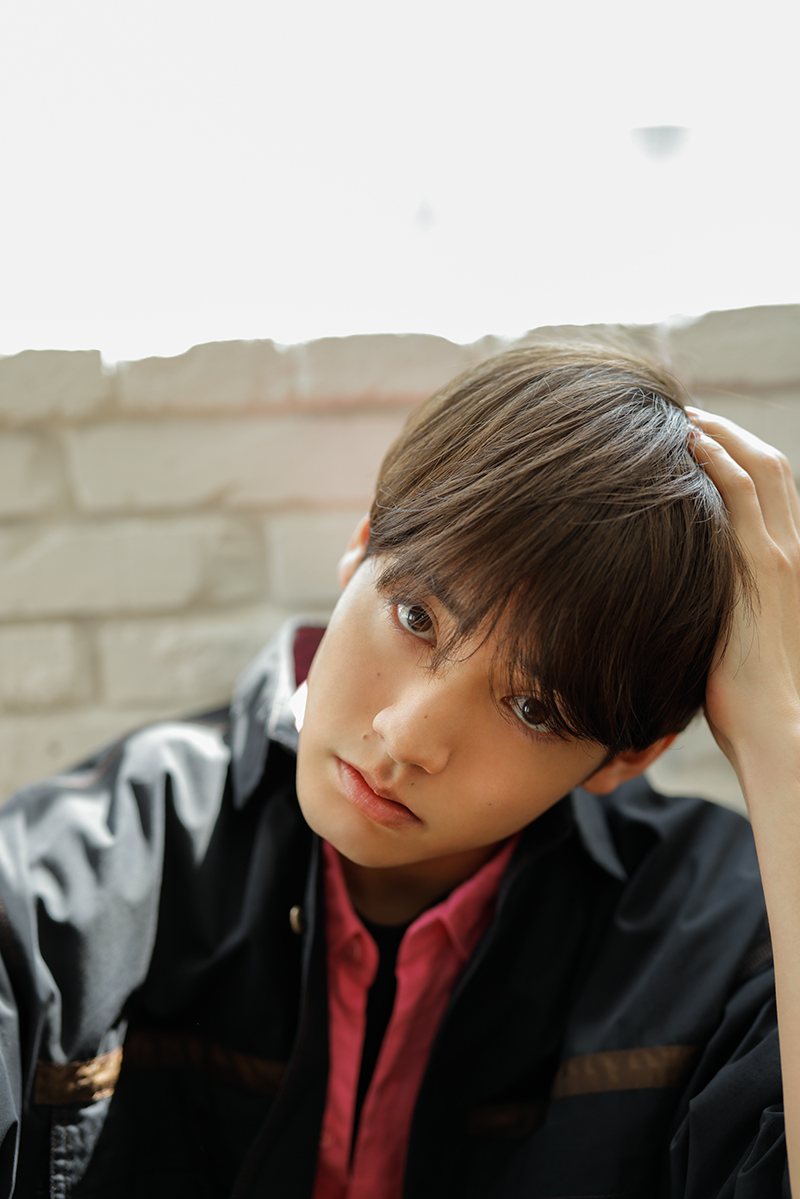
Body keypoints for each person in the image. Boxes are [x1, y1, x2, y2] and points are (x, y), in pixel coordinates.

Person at [0, 342, 796, 1198]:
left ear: (628, 755)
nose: (407, 736)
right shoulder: (76, 872)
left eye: (533, 708)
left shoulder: (719, 937)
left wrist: (780, 737)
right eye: (416, 615)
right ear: (359, 552)